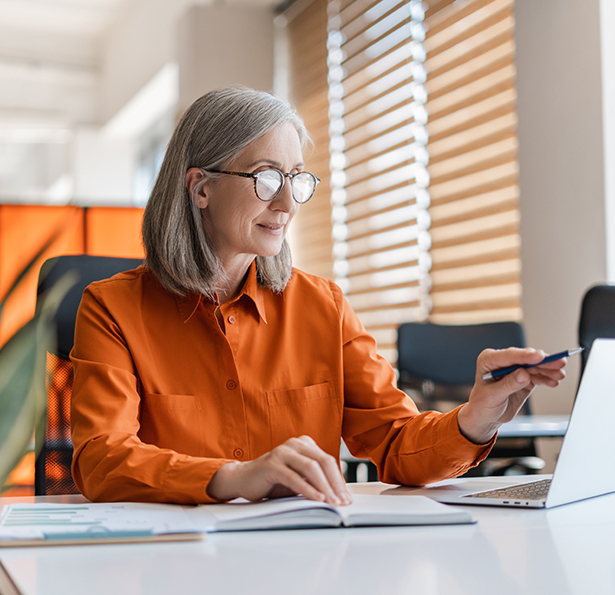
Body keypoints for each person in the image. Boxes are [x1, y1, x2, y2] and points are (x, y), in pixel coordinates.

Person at [70, 87, 566, 506]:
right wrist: (231, 477)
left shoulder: (322, 306)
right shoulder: (111, 309)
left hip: (306, 559)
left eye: (295, 179)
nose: (286, 203)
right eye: (266, 178)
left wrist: (475, 418)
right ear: (201, 188)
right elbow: (100, 457)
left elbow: (395, 443)